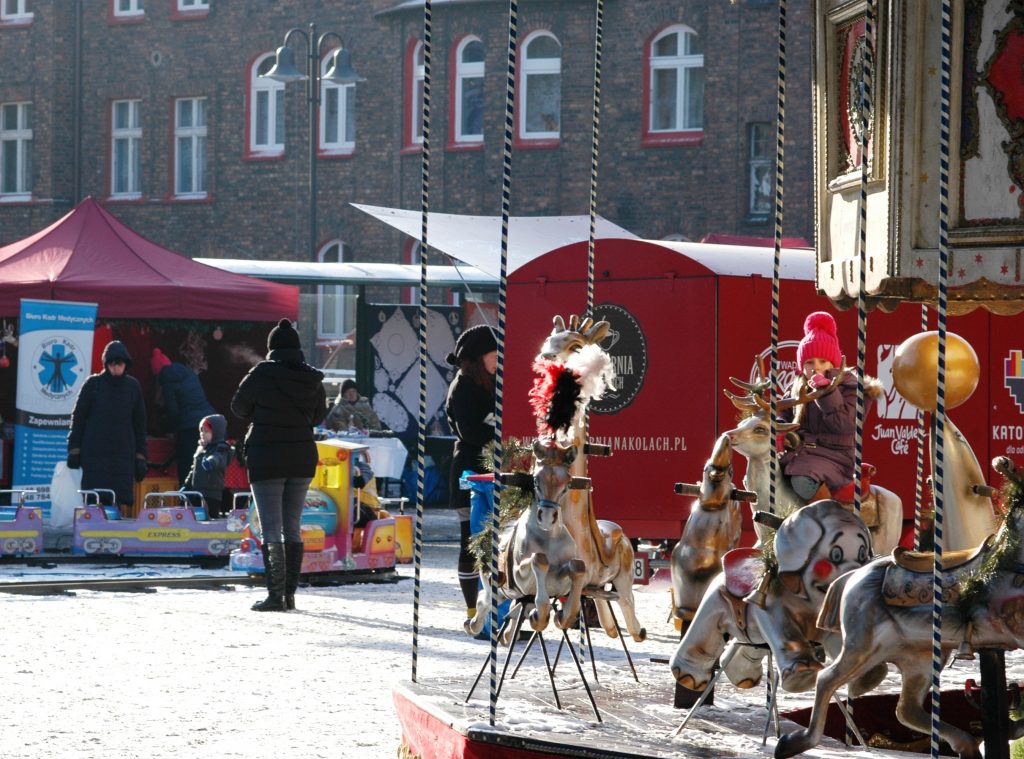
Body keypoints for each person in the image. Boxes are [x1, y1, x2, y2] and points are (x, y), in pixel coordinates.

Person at [231, 319, 327, 612]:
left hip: (267, 457)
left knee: (271, 528)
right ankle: (290, 594)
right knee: (292, 527)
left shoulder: (261, 374)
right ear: (297, 348)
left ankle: (275, 597)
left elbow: (238, 407)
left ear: (272, 348)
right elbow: (318, 415)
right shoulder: (312, 378)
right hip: (301, 456)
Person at [444, 324, 498, 624]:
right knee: (472, 540)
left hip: (497, 471)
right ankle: (472, 609)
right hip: (470, 472)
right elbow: (471, 432)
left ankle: (499, 608)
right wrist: (501, 437)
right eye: (494, 354)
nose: (498, 360)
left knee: (499, 542)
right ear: (478, 357)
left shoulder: (495, 383)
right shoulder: (462, 387)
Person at [778, 311, 857, 501]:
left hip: (835, 457)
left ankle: (825, 521)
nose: (816, 367)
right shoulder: (797, 387)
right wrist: (780, 431)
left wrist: (827, 392)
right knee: (765, 475)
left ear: (834, 362)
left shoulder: (849, 386)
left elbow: (844, 425)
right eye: (809, 362)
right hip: (800, 453)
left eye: (823, 361)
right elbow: (785, 415)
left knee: (802, 483)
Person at [66, 340, 148, 509]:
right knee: (95, 497)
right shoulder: (93, 384)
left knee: (117, 497)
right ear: (106, 364)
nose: (116, 368)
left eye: (119, 364)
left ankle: (114, 529)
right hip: (95, 449)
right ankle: (92, 530)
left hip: (123, 451)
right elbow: (79, 417)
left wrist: (141, 456)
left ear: (126, 364)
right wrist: (74, 449)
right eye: (112, 363)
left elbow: (140, 423)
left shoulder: (133, 387)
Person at [151, 348, 215, 488]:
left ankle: (188, 506)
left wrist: (162, 427)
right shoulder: (188, 373)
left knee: (187, 470)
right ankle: (205, 505)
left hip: (189, 429)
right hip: (208, 424)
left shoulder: (166, 379)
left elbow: (173, 413)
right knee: (204, 470)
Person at [182, 414, 232, 519]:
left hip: (211, 493)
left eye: (206, 431)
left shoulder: (221, 448)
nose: (202, 434)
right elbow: (193, 469)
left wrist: (211, 462)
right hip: (196, 490)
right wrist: (186, 486)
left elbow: (218, 458)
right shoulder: (201, 448)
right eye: (201, 431)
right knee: (195, 517)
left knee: (210, 516)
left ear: (216, 432)